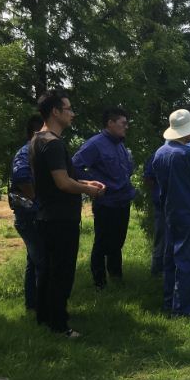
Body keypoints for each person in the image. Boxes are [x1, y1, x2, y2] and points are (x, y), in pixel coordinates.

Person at [30, 90, 105, 337]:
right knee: (61, 273)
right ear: (55, 112)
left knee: (48, 271)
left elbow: (57, 179)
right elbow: (62, 183)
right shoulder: (53, 144)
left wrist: (85, 182)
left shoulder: (37, 139)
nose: (72, 114)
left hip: (46, 216)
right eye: (68, 109)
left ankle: (44, 318)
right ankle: (60, 326)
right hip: (61, 218)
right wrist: (89, 190)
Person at [152, 109, 190, 320]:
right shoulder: (187, 154)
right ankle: (183, 310)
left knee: (171, 259)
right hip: (189, 211)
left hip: (170, 211)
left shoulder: (160, 153)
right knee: (188, 262)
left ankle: (169, 302)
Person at [72, 107, 136, 290]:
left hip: (123, 200)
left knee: (118, 241)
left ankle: (116, 277)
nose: (126, 127)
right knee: (102, 242)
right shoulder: (95, 144)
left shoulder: (120, 144)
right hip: (106, 202)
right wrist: (91, 183)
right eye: (123, 123)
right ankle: (99, 282)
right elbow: (74, 166)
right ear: (110, 123)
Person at [143, 104, 190, 276]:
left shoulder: (161, 152)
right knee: (181, 250)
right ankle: (176, 282)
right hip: (184, 207)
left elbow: (150, 176)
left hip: (168, 204)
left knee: (168, 245)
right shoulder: (187, 153)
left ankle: (166, 280)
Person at [8, 114, 46, 311]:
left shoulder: (35, 153)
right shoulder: (27, 152)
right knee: (42, 261)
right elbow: (22, 176)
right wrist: (36, 200)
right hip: (28, 217)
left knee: (33, 260)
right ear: (37, 133)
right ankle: (44, 308)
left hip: (32, 215)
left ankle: (32, 305)